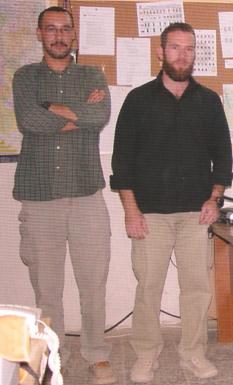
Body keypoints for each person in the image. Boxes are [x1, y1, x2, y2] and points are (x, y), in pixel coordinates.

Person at [110, 22, 233, 383]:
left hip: (196, 213)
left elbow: (222, 158)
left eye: (189, 48)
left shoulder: (209, 101)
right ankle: (146, 355)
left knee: (197, 288)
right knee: (148, 287)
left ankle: (192, 354)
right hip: (149, 214)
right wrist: (130, 211)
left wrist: (215, 199)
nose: (183, 55)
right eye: (175, 47)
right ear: (161, 53)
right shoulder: (138, 100)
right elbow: (122, 162)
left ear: (196, 54)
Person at [12, 6, 116, 384]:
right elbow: (28, 120)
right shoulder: (24, 77)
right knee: (47, 288)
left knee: (93, 284)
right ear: (40, 34)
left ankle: (96, 353)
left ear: (74, 35)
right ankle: (53, 354)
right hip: (39, 196)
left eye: (65, 29)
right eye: (51, 29)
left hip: (87, 192)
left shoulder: (92, 75)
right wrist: (73, 115)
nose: (58, 35)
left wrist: (50, 110)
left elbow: (98, 117)